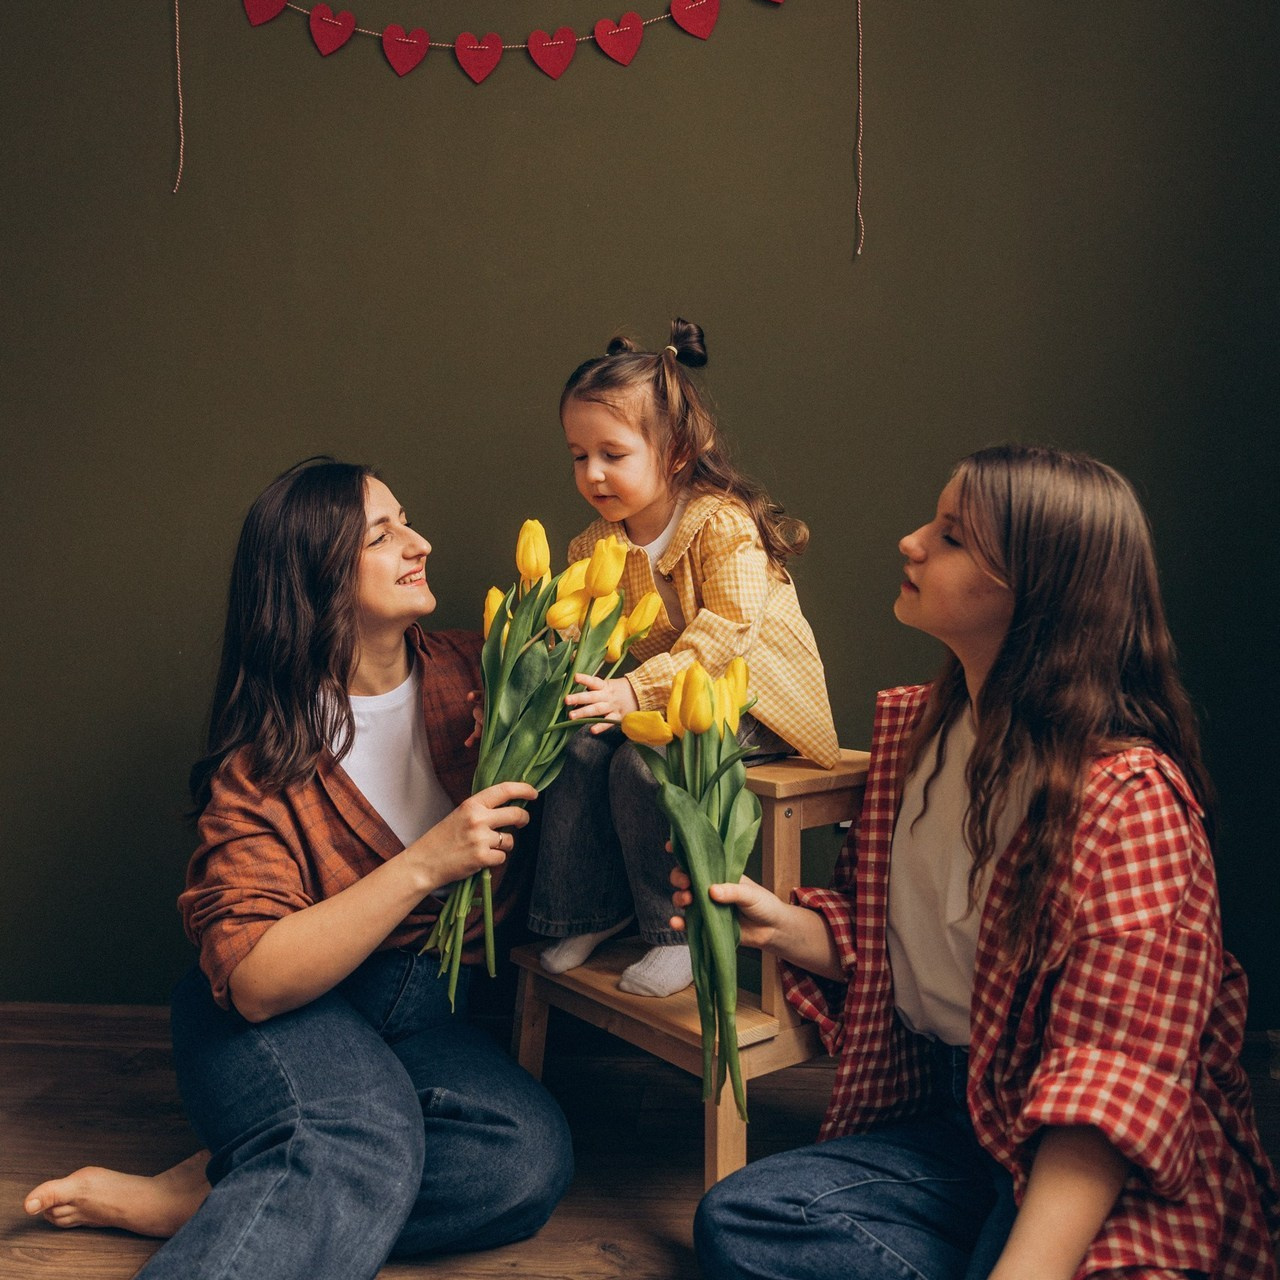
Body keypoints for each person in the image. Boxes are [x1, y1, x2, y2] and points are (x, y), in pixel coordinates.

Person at [677, 444, 1280, 1278]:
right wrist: (784, 927)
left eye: (952, 536)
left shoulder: (1128, 801)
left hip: (1087, 1162)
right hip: (963, 1119)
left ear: (1040, 588)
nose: (911, 542)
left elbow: (1108, 1094)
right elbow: (930, 957)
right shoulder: (919, 731)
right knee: (742, 1220)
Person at [25, 458, 573, 1277]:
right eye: (382, 535)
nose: (418, 543)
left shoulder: (491, 677)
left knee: (521, 1160)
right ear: (315, 574)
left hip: (416, 1005)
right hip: (275, 1013)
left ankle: (220, 1192)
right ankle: (285, 1170)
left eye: (406, 521)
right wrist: (427, 862)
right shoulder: (259, 760)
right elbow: (254, 980)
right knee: (361, 1132)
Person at [528, 317, 840, 998]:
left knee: (646, 763)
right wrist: (534, 682)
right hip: (662, 697)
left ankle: (675, 933)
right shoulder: (593, 547)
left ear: (672, 453)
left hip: (752, 698)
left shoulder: (719, 524)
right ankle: (588, 910)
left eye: (612, 453)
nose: (593, 473)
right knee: (578, 747)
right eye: (579, 456)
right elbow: (572, 632)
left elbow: (725, 631)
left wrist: (636, 694)